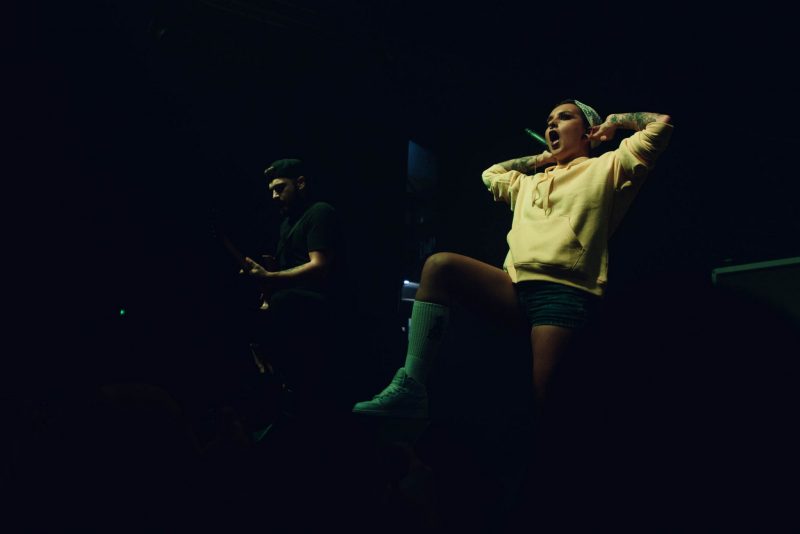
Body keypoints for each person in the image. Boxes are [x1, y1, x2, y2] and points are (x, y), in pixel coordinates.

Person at [352, 100, 672, 419]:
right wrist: (543, 159)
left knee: (545, 401)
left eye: (564, 117)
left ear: (588, 131)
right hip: (513, 289)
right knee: (439, 266)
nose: (552, 124)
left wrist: (615, 121)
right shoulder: (528, 183)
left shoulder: (608, 167)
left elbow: (660, 123)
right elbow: (490, 174)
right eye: (549, 120)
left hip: (562, 292)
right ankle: (411, 387)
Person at [239, 158, 342, 409]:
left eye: (280, 188)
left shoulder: (319, 212)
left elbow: (319, 266)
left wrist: (270, 278)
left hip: (319, 301)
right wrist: (264, 273)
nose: (274, 196)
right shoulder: (286, 223)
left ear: (300, 183)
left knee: (283, 303)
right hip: (291, 298)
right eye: (271, 190)